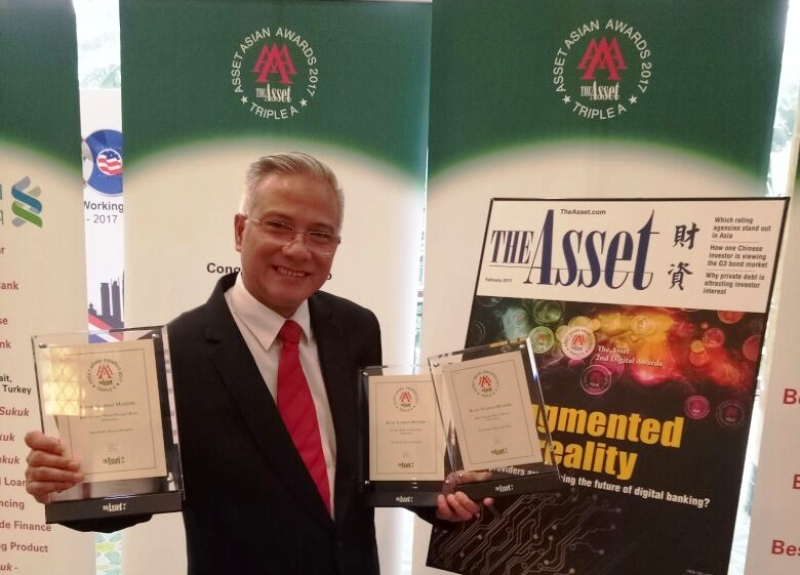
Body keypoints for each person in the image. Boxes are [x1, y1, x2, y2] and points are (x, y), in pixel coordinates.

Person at [25, 152, 491, 575]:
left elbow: (373, 464)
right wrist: (68, 487)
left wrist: (437, 495)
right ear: (239, 231)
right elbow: (131, 497)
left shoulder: (357, 329)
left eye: (320, 234)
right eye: (279, 225)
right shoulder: (175, 352)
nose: (298, 249)